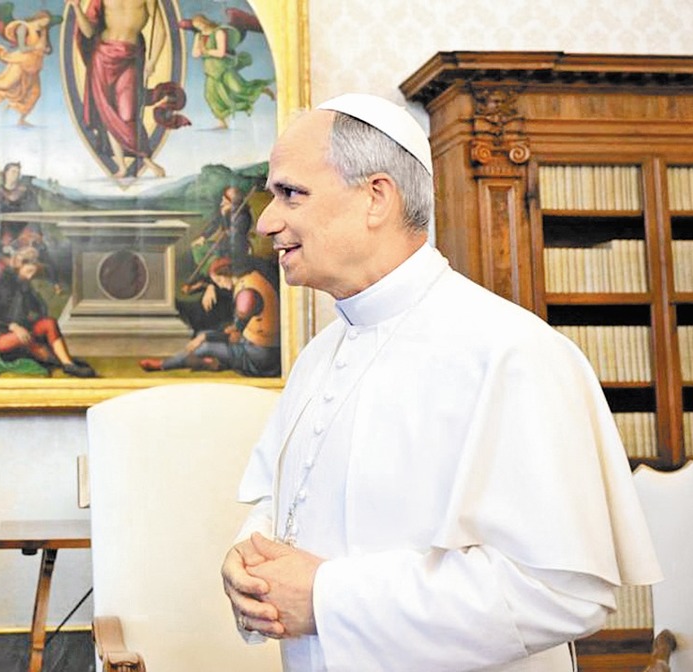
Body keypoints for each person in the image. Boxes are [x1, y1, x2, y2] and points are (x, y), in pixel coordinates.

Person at [220, 93, 662, 671]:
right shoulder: (319, 356)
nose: (266, 221)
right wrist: (249, 560)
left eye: (290, 193)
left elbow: (562, 593)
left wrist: (328, 598)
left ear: (376, 197)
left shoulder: (511, 352)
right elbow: (282, 502)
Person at [66, 0, 188, 178]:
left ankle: (146, 160)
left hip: (131, 56)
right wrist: (77, 7)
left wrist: (153, 60)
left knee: (127, 113)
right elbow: (89, 32)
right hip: (102, 56)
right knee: (108, 111)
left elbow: (161, 28)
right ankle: (123, 166)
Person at [0, 245, 94, 378]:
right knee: (23, 337)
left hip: (11, 333)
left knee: (49, 323)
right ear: (19, 264)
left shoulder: (21, 283)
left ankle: (67, 364)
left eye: (34, 273)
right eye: (29, 271)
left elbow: (38, 310)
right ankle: (55, 360)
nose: (31, 277)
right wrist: (12, 326)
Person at [143, 256, 280, 377]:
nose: (220, 285)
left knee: (205, 346)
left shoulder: (246, 296)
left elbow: (235, 335)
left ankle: (163, 365)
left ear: (227, 273)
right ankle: (212, 363)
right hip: (253, 344)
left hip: (260, 355)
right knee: (204, 335)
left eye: (219, 280)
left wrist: (204, 338)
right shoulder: (249, 279)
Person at [187, 12, 274, 129]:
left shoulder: (218, 32)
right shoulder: (199, 36)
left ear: (205, 21)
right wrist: (200, 47)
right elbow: (195, 54)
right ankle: (222, 122)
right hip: (210, 70)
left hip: (224, 67)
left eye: (200, 24)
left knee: (238, 88)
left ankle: (262, 89)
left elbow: (221, 52)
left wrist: (206, 51)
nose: (199, 27)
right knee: (210, 96)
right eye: (196, 26)